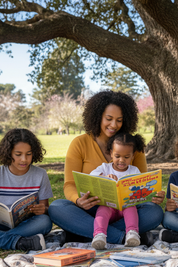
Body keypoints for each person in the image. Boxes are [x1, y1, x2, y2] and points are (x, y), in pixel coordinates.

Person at [48, 90, 164, 246]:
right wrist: (78, 200)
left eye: (119, 120)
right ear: (98, 117)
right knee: (57, 207)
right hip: (91, 208)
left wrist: (153, 195)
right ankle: (122, 237)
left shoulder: (133, 146)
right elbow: (69, 184)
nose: (114, 125)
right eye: (108, 119)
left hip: (126, 211)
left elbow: (142, 183)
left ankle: (87, 234)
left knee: (154, 212)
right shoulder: (79, 143)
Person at [90, 133, 146, 249]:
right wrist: (105, 178)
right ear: (111, 153)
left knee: (131, 207)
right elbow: (91, 177)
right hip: (108, 205)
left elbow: (141, 189)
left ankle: (132, 233)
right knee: (102, 210)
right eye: (117, 156)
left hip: (125, 207)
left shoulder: (134, 170)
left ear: (133, 155)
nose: (121, 160)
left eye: (126, 157)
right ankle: (99, 235)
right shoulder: (105, 168)